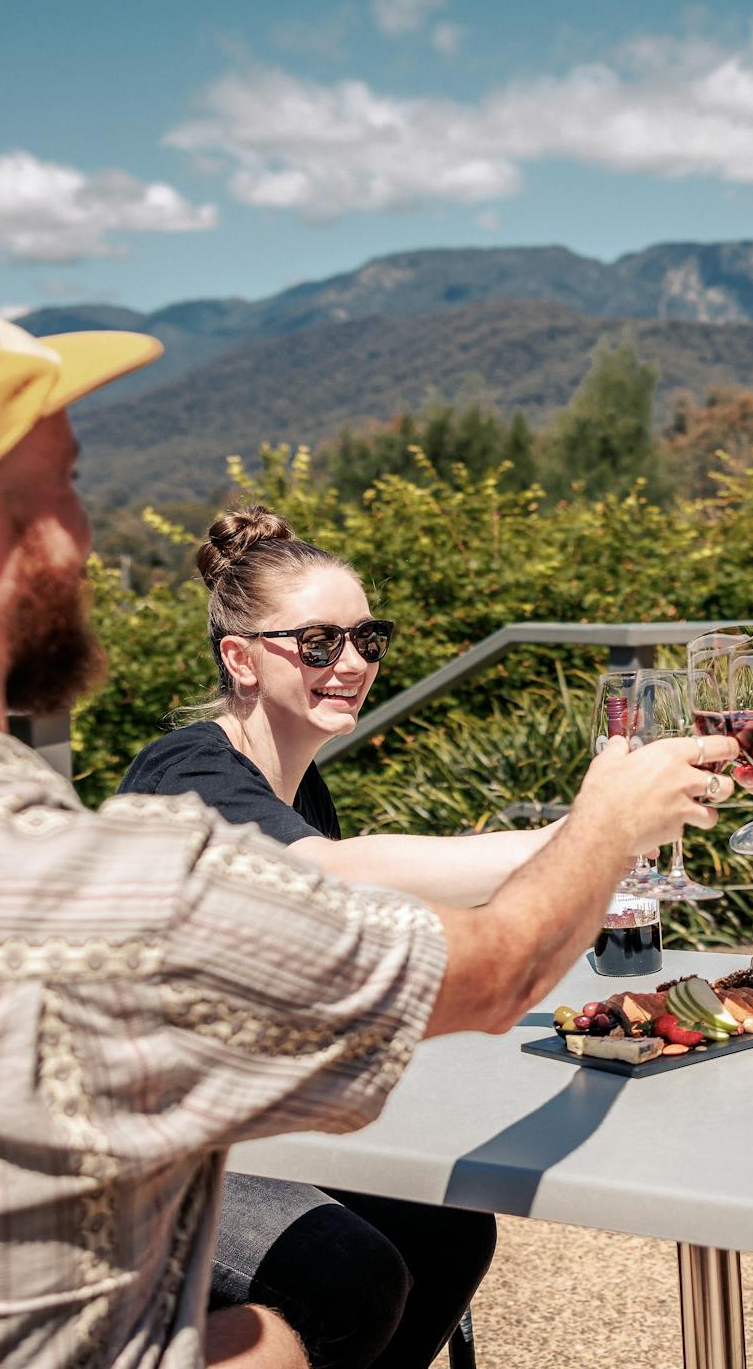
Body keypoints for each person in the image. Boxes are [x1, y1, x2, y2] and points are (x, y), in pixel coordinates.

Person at [0, 284, 738, 1368]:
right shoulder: (123, 899)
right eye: (68, 488)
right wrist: (607, 822)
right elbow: (495, 973)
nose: (85, 536)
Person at [119, 506, 561, 1369]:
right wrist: (582, 834)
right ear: (240, 659)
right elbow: (331, 876)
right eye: (318, 643)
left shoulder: (295, 783)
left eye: (367, 638)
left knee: (447, 1228)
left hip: (233, 1122)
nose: (352, 664)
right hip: (137, 1153)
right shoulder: (190, 774)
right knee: (342, 1274)